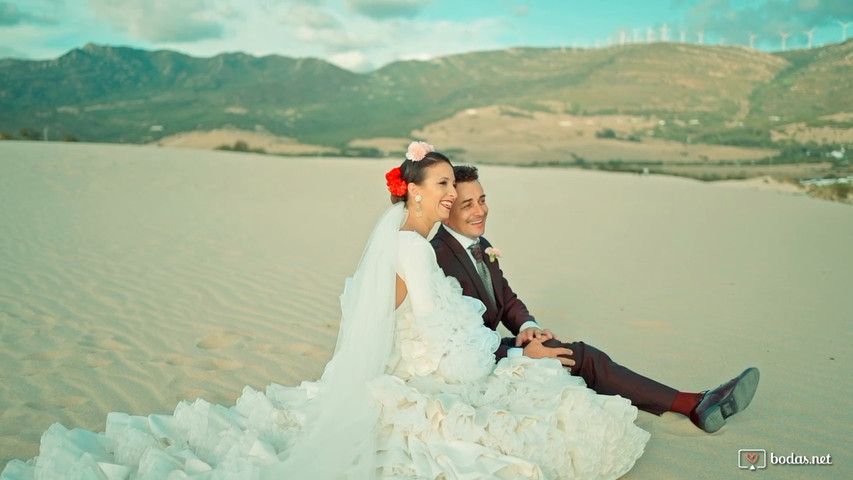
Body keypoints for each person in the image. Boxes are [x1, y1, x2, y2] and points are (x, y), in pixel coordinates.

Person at [1, 143, 648, 480]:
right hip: (429, 374)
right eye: (445, 185)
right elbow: (448, 356)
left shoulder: (407, 244)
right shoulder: (412, 251)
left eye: (456, 185)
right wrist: (507, 356)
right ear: (418, 192)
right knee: (542, 407)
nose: (454, 196)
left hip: (411, 364)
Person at [431, 165, 760, 434]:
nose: (481, 210)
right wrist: (517, 350)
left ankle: (691, 402)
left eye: (482, 199)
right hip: (473, 362)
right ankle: (693, 404)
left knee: (578, 358)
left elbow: (505, 298)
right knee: (583, 358)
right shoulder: (439, 258)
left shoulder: (477, 242)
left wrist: (529, 327)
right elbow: (455, 341)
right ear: (446, 212)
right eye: (468, 205)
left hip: (495, 346)